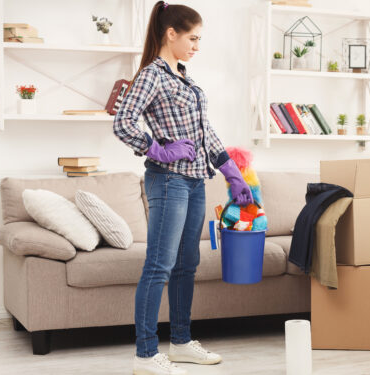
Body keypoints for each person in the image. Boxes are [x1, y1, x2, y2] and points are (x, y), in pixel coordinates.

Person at [113, 2, 253, 374]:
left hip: (194, 183)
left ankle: (180, 343)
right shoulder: (151, 75)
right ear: (171, 33)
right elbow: (122, 122)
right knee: (159, 265)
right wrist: (155, 148)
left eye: (200, 39)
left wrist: (231, 172)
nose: (196, 46)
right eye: (192, 38)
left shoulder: (186, 78)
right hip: (168, 180)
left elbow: (206, 133)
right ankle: (145, 355)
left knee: (186, 266)